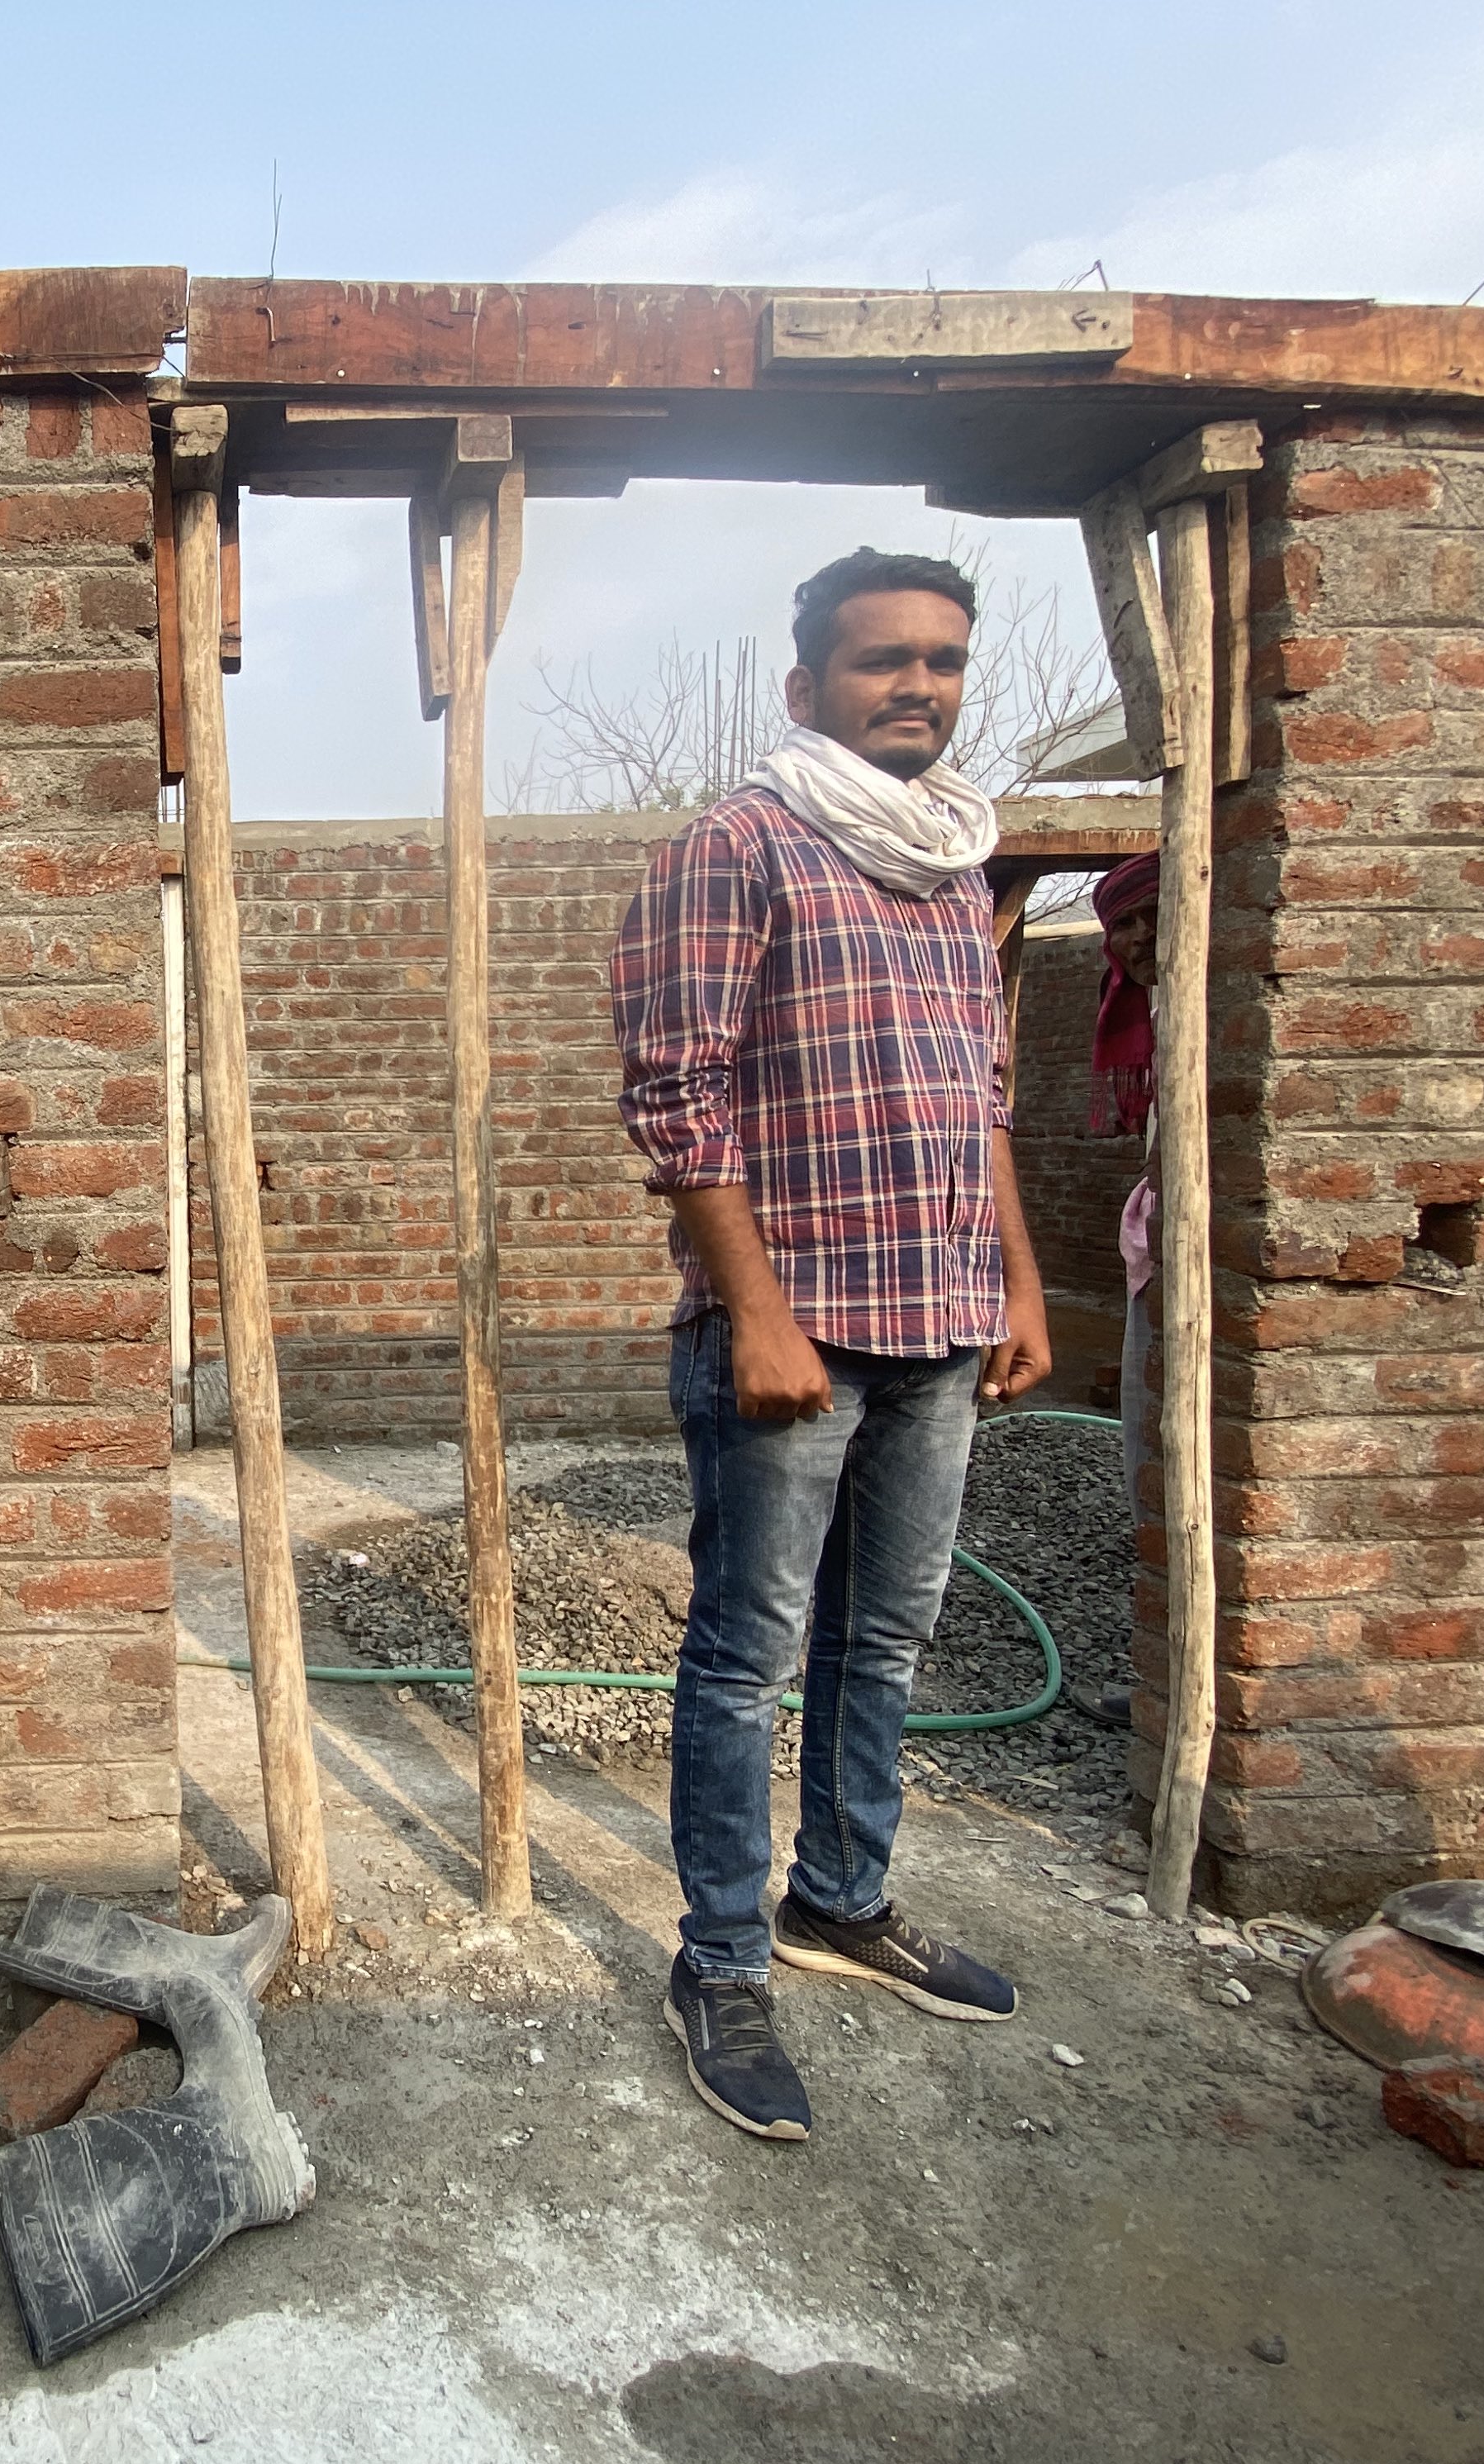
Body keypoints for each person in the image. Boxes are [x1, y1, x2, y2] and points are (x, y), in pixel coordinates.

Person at [609, 548, 1049, 2144]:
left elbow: (982, 1095)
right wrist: (756, 1309)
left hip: (940, 1321)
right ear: (807, 689)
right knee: (746, 1657)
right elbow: (677, 1095)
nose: (915, 684)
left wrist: (1018, 1278)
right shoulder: (740, 844)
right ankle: (720, 1956)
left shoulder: (959, 866)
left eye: (939, 659)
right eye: (880, 662)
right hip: (794, 1335)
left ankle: (841, 1897)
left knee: (888, 1639)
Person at [1077, 853, 1160, 1730]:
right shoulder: (1151, 1021)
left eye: (1152, 918)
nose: (1139, 940)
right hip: (1152, 1267)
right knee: (1149, 1472)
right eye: (1124, 925)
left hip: (1186, 1270)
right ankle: (1160, 1678)